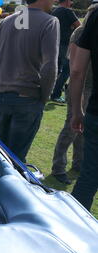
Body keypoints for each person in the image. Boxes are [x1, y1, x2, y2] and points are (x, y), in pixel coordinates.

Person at [0, 0, 59, 163]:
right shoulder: (50, 21)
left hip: (2, 95)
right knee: (16, 160)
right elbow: (49, 66)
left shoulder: (7, 21)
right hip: (28, 97)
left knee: (1, 154)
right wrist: (44, 97)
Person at [51, 4, 96, 185]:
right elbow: (74, 64)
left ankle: (79, 163)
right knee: (71, 128)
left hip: (91, 87)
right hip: (81, 87)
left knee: (84, 130)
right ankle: (58, 167)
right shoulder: (80, 33)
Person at [70, 4, 98, 211]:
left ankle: (71, 235)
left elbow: (77, 70)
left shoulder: (96, 15)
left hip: (96, 113)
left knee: (88, 178)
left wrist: (77, 110)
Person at [50, 0, 81, 103]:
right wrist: (71, 27)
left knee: (57, 70)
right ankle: (56, 94)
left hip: (54, 43)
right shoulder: (68, 11)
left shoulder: (54, 11)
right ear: (67, 1)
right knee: (66, 71)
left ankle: (52, 91)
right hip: (65, 45)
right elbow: (79, 27)